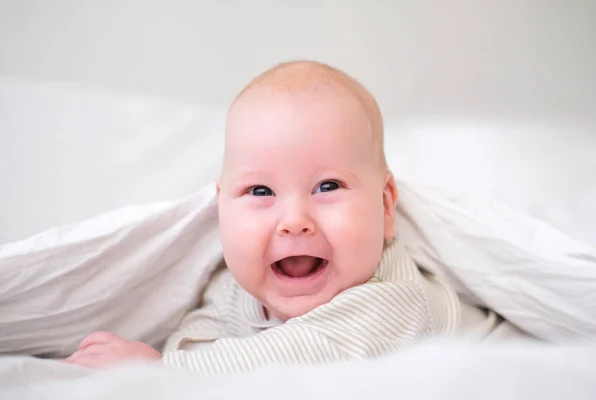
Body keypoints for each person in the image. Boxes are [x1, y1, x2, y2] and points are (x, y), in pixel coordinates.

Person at [64, 60, 464, 374]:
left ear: (385, 206)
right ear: (221, 208)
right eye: (260, 191)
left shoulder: (394, 298)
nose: (294, 220)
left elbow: (308, 354)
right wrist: (177, 355)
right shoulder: (235, 287)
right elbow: (197, 336)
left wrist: (160, 370)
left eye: (327, 187)